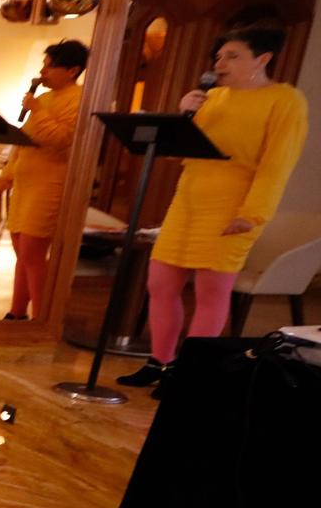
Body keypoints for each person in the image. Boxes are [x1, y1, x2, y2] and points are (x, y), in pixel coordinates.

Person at [119, 26, 310, 388]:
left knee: (210, 292)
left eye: (233, 56)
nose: (220, 63)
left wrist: (252, 214)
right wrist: (183, 114)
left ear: (262, 59)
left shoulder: (285, 101)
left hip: (234, 206)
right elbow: (184, 148)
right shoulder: (212, 98)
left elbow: (277, 164)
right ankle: (161, 362)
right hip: (189, 201)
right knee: (160, 283)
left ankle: (191, 373)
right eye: (219, 56)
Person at [0, 40, 86, 321]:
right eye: (44, 64)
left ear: (72, 70)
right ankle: (17, 313)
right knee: (22, 252)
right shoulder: (42, 99)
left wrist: (37, 111)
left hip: (49, 184)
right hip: (26, 184)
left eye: (50, 65)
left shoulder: (78, 99)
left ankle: (43, 319)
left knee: (32, 252)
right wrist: (4, 179)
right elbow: (23, 144)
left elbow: (60, 140)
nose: (43, 71)